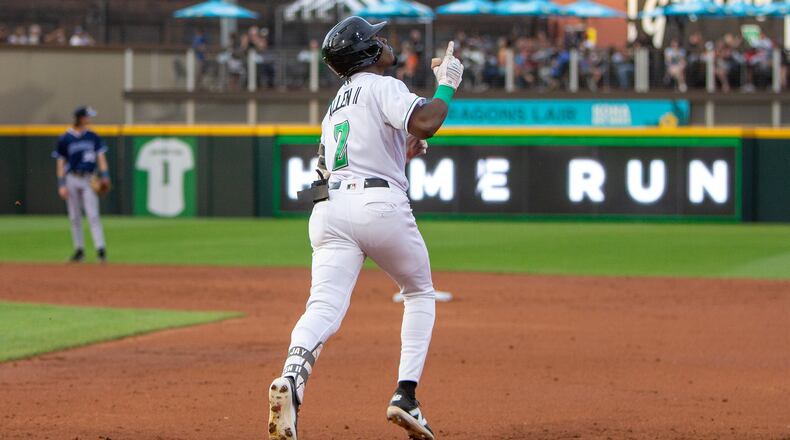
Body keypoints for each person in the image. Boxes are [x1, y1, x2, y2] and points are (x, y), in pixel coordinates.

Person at [266, 16, 463, 440]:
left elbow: (352, 158)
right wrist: (446, 83)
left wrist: (403, 148)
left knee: (322, 306)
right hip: (378, 204)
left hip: (330, 209)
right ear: (367, 51)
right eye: (376, 37)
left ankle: (291, 379)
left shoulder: (337, 104)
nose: (384, 40)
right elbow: (427, 120)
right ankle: (406, 396)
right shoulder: (382, 85)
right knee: (419, 293)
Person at [53, 106, 111, 263]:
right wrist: (61, 184)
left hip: (89, 179)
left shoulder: (93, 136)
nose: (89, 119)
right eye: (87, 116)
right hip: (72, 178)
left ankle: (100, 250)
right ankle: (79, 250)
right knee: (74, 216)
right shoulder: (65, 138)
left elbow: (101, 158)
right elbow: (60, 162)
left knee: (93, 215)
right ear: (79, 118)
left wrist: (105, 176)